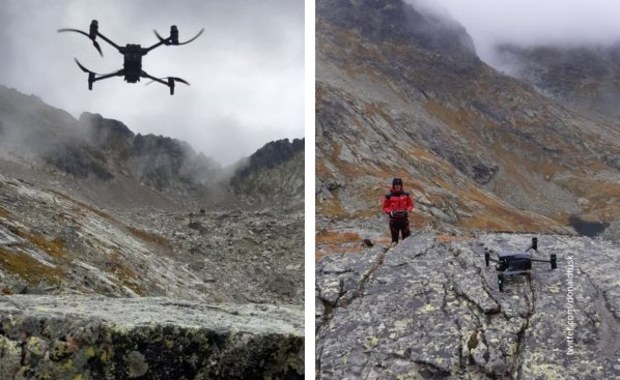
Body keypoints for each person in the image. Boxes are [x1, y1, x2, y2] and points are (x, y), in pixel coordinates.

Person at [382, 178, 414, 245]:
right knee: (394, 241)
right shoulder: (388, 196)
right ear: (393, 186)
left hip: (404, 220)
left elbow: (410, 205)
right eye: (396, 185)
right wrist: (390, 212)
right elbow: (385, 207)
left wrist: (408, 210)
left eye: (399, 185)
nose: (398, 187)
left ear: (401, 186)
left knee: (407, 240)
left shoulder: (406, 195)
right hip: (394, 221)